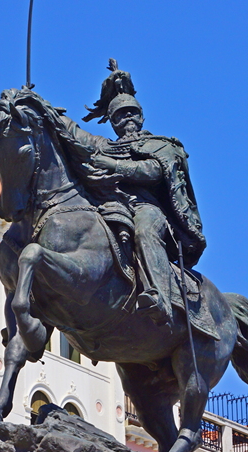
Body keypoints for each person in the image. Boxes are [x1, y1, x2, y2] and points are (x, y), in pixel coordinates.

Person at [60, 60, 206, 325]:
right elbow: (77, 135)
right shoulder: (104, 146)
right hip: (111, 204)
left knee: (145, 230)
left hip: (147, 208)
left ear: (141, 117)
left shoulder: (160, 145)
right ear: (113, 122)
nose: (126, 118)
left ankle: (160, 297)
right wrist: (45, 111)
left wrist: (113, 165)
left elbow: (152, 171)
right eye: (119, 115)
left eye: (131, 113)